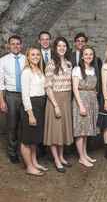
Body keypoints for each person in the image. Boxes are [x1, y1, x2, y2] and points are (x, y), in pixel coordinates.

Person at [43, 37, 73, 173]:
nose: (62, 48)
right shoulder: (50, 64)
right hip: (55, 100)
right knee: (55, 132)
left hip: (66, 100)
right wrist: (55, 105)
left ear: (67, 48)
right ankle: (56, 159)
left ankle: (61, 157)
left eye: (64, 46)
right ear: (55, 48)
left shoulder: (69, 63)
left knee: (62, 131)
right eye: (59, 46)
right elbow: (48, 87)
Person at [20, 47, 47, 176]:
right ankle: (29, 167)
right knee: (27, 139)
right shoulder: (26, 72)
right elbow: (25, 95)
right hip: (30, 106)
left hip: (40, 105)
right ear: (28, 56)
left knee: (34, 138)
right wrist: (30, 114)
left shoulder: (39, 70)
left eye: (37, 54)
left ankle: (34, 162)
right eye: (33, 54)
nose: (35, 56)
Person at [72, 46, 99, 167]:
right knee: (81, 130)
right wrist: (81, 106)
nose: (88, 56)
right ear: (82, 56)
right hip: (81, 100)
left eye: (91, 54)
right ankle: (81, 157)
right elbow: (75, 89)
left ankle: (85, 153)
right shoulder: (77, 69)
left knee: (86, 130)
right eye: (86, 54)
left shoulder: (93, 69)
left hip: (91, 100)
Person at [0, 35, 25, 163]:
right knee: (12, 125)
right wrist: (2, 100)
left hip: (26, 95)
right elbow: (0, 82)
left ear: (21, 45)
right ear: (8, 45)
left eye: (18, 43)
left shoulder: (26, 59)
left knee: (25, 124)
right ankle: (12, 152)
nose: (15, 46)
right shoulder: (3, 60)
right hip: (11, 96)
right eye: (13, 43)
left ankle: (26, 151)